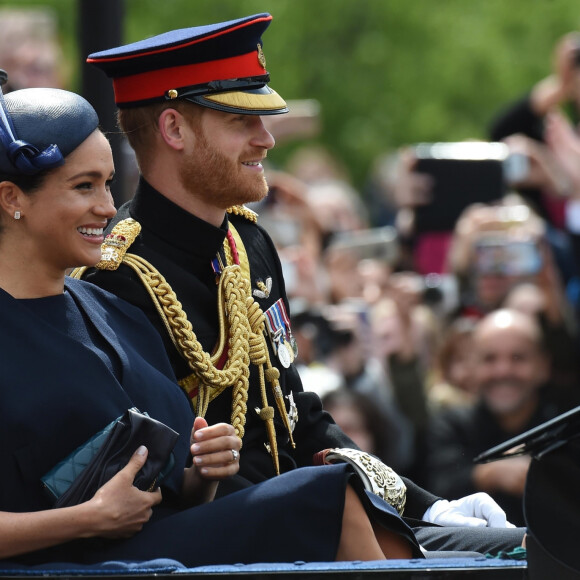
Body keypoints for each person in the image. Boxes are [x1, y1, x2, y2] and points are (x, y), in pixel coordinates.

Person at [78, 13, 525, 554]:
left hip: (321, 516)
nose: (266, 139)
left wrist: (422, 503)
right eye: (241, 122)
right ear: (174, 130)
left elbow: (297, 416)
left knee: (520, 546)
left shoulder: (248, 245)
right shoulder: (117, 277)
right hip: (232, 539)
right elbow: (167, 475)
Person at [0, 80, 441, 566]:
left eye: (107, 183)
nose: (107, 206)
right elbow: (97, 510)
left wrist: (203, 472)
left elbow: (165, 478)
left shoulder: (108, 312)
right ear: (11, 198)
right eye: (84, 186)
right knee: (325, 497)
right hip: (63, 564)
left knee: (351, 503)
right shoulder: (115, 288)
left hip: (144, 550)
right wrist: (87, 517)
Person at [424, 308, 574, 527]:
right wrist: (489, 474)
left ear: (543, 366)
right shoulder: (449, 426)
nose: (503, 370)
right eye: (489, 359)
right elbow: (431, 494)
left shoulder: (567, 428)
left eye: (518, 358)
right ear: (473, 367)